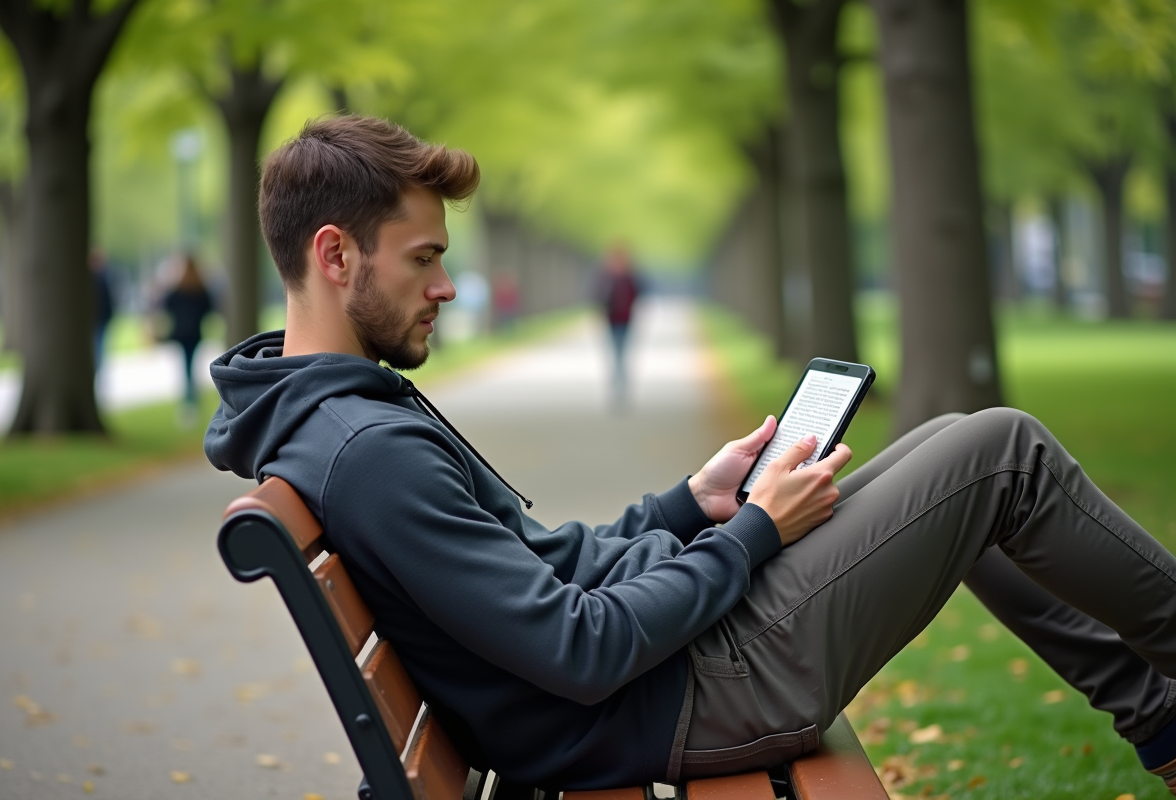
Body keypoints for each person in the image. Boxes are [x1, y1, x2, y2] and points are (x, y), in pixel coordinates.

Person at [204, 116, 1176, 795]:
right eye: (425, 257)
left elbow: (548, 572)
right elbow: (579, 647)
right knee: (1000, 453)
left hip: (669, 679)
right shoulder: (366, 446)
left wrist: (690, 504)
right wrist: (754, 531)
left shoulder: (339, 417)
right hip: (693, 697)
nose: (449, 287)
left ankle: (1161, 720)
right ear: (336, 256)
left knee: (954, 451)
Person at [161, 253, 213, 422]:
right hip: (195, 333)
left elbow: (166, 305)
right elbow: (209, 308)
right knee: (190, 366)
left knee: (186, 367)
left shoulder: (178, 288)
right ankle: (192, 400)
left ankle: (189, 401)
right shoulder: (200, 288)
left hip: (181, 334)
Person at [594, 244, 640, 406]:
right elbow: (597, 296)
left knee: (622, 352)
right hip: (611, 319)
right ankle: (617, 385)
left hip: (626, 319)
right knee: (615, 352)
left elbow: (638, 293)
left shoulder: (630, 277)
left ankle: (621, 385)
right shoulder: (606, 277)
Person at [90, 248, 115, 376]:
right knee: (97, 347)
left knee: (98, 347)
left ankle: (97, 371)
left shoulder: (102, 277)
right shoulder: (96, 278)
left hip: (101, 319)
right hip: (96, 319)